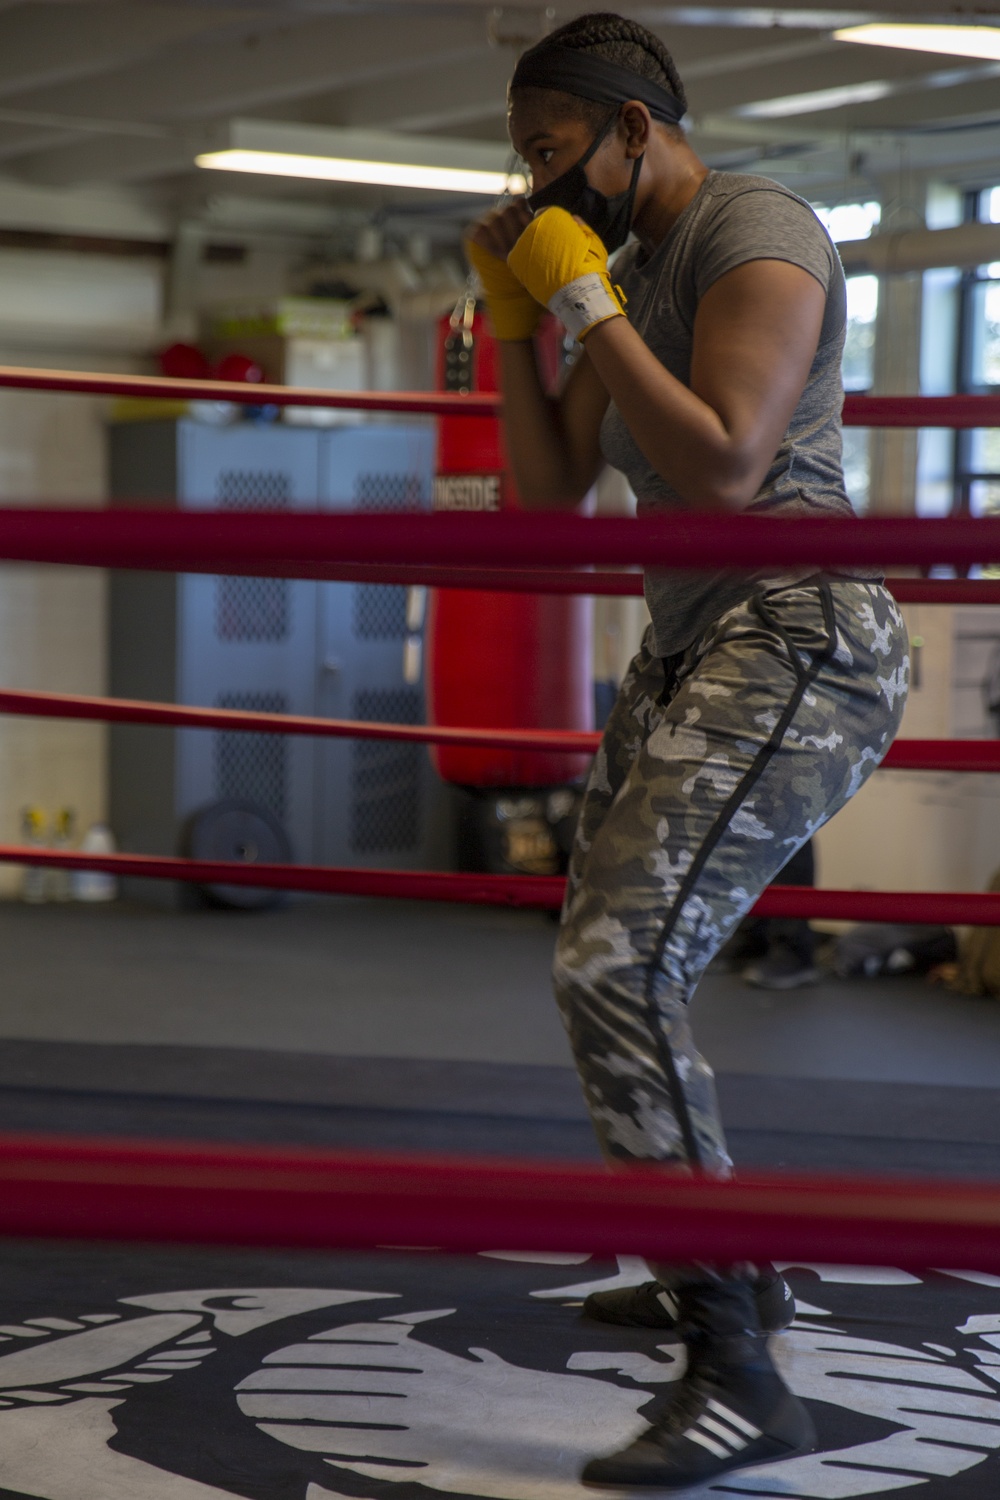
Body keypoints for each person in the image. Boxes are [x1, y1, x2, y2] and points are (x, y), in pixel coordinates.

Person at [466, 10, 909, 1490]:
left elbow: (724, 462)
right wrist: (517, 316)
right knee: (605, 952)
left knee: (615, 963)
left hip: (798, 636)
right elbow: (542, 504)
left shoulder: (754, 228)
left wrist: (583, 303)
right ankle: (725, 1262)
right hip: (687, 651)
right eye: (521, 164)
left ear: (632, 131)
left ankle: (735, 1365)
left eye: (550, 154)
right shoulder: (631, 270)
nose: (536, 189)